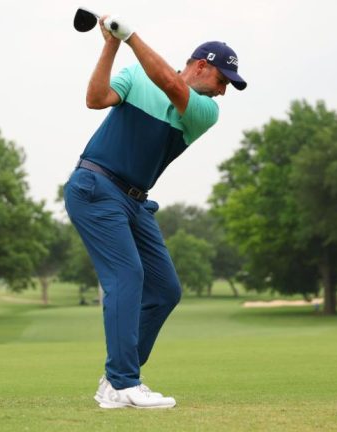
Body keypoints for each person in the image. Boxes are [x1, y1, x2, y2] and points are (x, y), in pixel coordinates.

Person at [64, 14, 246, 409]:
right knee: (127, 275)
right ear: (202, 66)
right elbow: (95, 99)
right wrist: (111, 45)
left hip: (133, 200)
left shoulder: (203, 111)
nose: (223, 92)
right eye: (222, 81)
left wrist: (129, 35)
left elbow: (169, 83)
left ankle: (116, 379)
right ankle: (125, 382)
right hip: (95, 187)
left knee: (164, 290)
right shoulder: (135, 76)